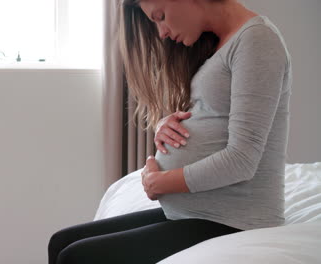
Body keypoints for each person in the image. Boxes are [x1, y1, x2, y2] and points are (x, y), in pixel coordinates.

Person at [48, 0, 292, 263]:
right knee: (61, 242)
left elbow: (242, 160)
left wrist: (160, 182)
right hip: (197, 213)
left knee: (75, 257)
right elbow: (212, 114)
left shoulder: (257, 40)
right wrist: (167, 125)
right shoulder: (220, 42)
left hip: (234, 219)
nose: (161, 31)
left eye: (160, 16)